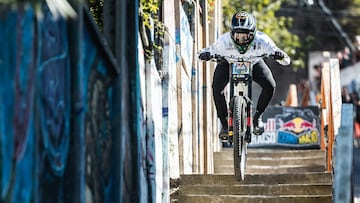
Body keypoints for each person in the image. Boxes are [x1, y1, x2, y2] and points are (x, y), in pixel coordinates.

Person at [197, 11, 291, 138]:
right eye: (237, 36)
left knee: (270, 85)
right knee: (216, 87)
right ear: (231, 33)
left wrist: (279, 56)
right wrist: (205, 55)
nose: (241, 40)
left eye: (245, 36)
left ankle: (257, 117)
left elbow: (286, 60)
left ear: (253, 34)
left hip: (253, 62)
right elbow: (201, 54)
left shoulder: (263, 40)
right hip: (228, 62)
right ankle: (224, 124)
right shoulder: (223, 42)